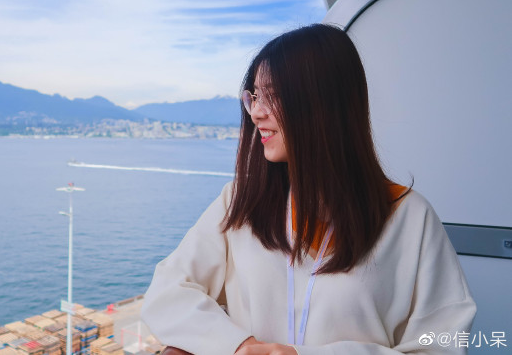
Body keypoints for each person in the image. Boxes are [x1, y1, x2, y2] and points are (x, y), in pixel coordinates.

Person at [140, 24, 476, 355]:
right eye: (254, 96)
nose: (256, 112)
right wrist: (239, 346)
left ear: (326, 102)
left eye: (273, 96)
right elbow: (168, 292)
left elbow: (443, 345)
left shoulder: (410, 216)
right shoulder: (241, 200)